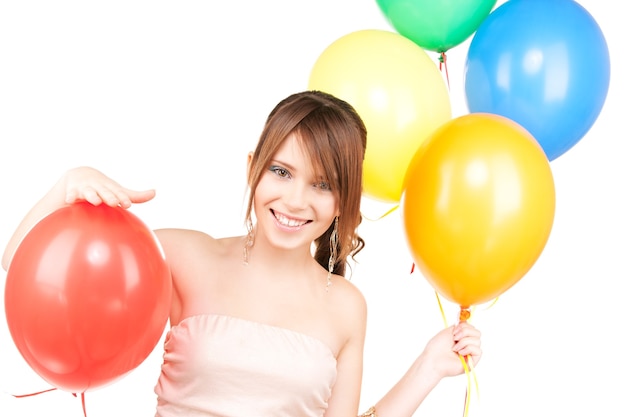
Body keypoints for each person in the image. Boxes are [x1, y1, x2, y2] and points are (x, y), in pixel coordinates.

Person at [1, 90, 481, 417]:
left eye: (322, 185)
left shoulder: (346, 306)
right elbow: (23, 269)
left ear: (343, 202)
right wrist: (63, 189)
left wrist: (428, 368)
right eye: (281, 171)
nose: (295, 201)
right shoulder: (182, 256)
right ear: (252, 168)